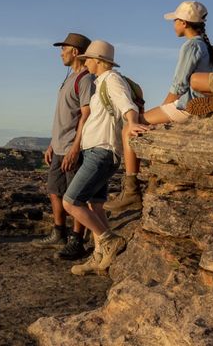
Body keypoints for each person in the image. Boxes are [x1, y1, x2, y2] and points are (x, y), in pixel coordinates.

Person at [108, 1, 213, 213]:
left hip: (188, 105)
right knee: (143, 124)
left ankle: (131, 191)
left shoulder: (191, 46)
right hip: (201, 103)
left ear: (184, 23)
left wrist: (164, 106)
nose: (173, 25)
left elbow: (179, 84)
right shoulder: (206, 47)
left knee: (130, 128)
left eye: (175, 21)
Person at [64, 40, 145, 276]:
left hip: (102, 151)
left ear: (99, 61)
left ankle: (109, 240)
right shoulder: (100, 82)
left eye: (88, 58)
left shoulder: (112, 79)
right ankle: (100, 257)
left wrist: (132, 123)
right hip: (95, 150)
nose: (85, 62)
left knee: (71, 201)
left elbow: (126, 105)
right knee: (94, 204)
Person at [34, 33, 94, 260]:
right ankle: (58, 232)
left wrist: (75, 147)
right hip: (58, 147)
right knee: (54, 190)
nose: (61, 53)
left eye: (64, 49)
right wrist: (52, 144)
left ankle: (77, 241)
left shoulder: (85, 79)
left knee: (76, 196)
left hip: (72, 148)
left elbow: (85, 115)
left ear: (76, 52)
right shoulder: (70, 77)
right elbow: (64, 116)